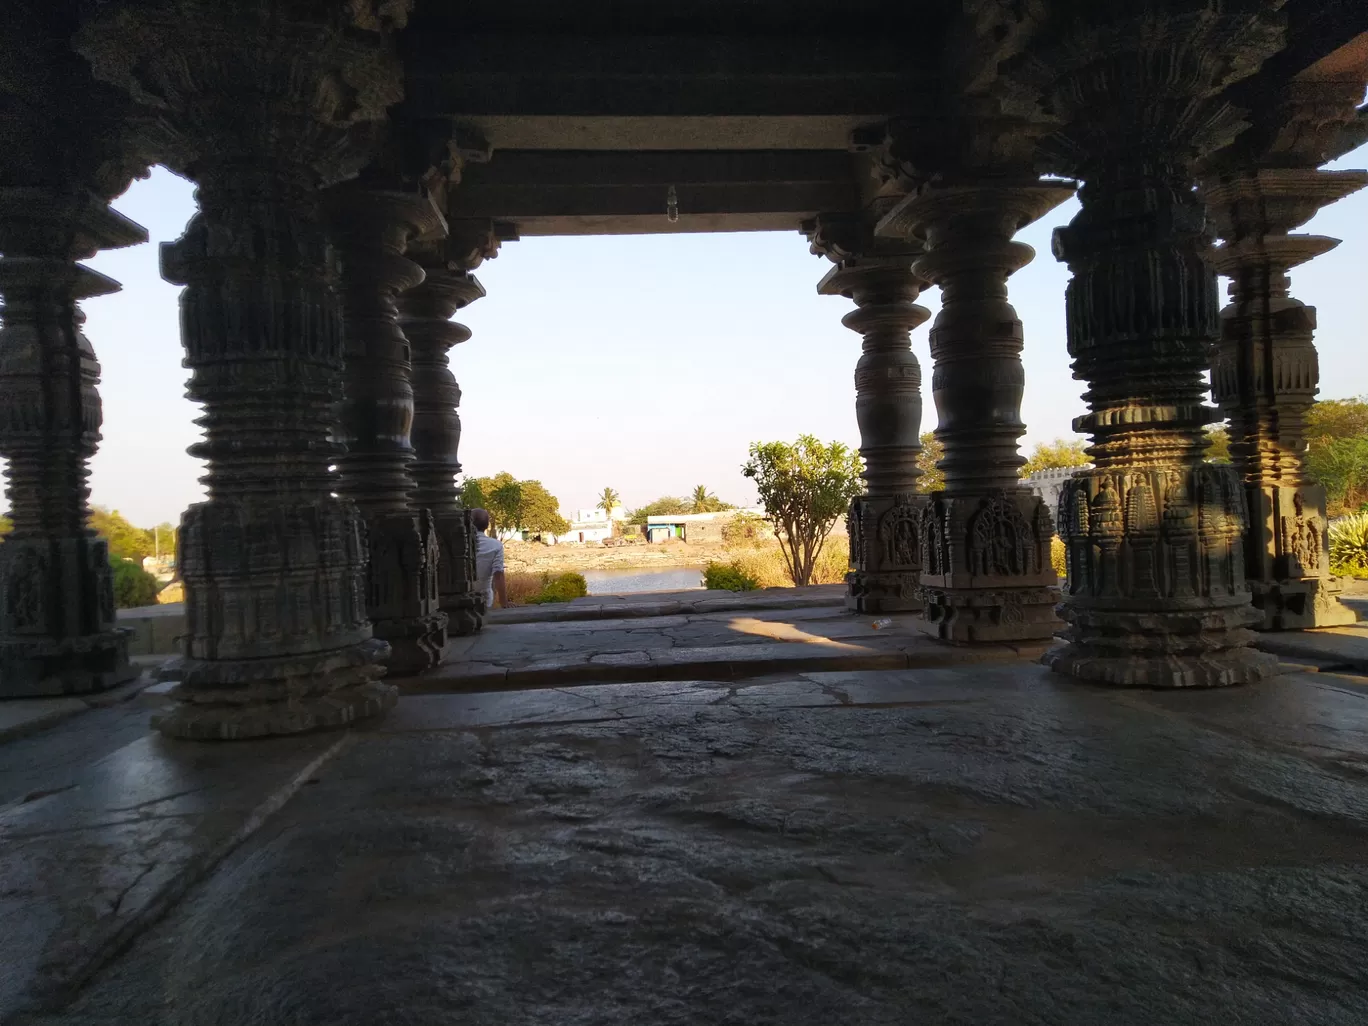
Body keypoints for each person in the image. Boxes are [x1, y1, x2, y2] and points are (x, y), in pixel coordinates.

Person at [470, 508, 507, 610]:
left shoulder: (458, 544)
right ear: (487, 525)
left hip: (461, 599)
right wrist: (504, 602)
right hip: (484, 600)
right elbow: (498, 574)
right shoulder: (495, 545)